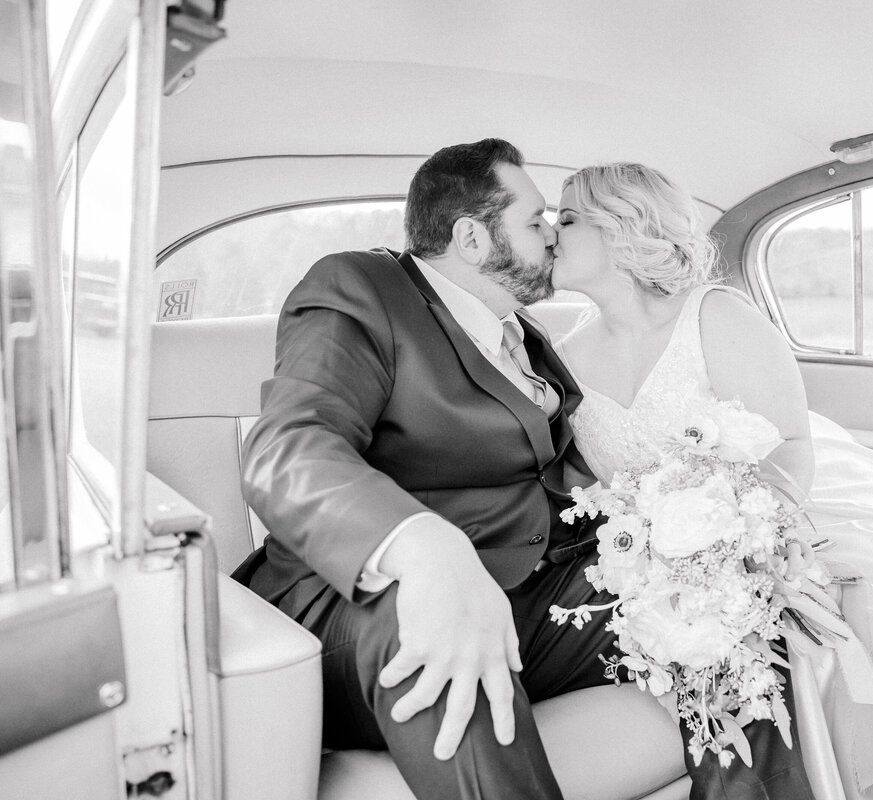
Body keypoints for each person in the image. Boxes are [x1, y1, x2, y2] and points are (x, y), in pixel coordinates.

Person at [232, 138, 815, 800]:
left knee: (725, 622)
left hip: (527, 587)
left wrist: (693, 559)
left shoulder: (530, 342)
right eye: (538, 219)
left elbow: (572, 487)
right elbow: (291, 445)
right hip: (359, 604)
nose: (550, 234)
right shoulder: (362, 291)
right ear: (473, 240)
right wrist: (424, 549)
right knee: (440, 614)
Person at [551, 162, 873, 800]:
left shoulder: (714, 316)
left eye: (566, 219)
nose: (550, 235)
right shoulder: (566, 357)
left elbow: (791, 448)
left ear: (622, 227)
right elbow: (597, 485)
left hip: (779, 511)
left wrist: (742, 550)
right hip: (660, 553)